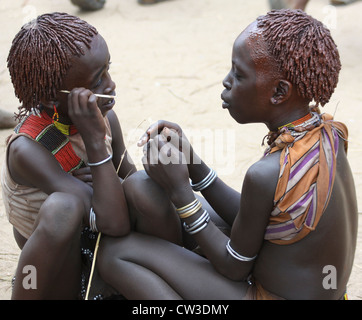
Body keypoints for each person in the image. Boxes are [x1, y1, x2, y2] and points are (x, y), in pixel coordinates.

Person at [97, 9, 358, 300]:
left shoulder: (267, 173)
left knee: (115, 254)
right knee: (155, 194)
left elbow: (235, 266)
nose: (226, 81)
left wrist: (181, 192)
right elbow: (261, 218)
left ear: (279, 92)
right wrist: (194, 164)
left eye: (239, 73)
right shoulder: (328, 134)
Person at [2, 12, 180, 300]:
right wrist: (97, 149)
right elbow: (114, 222)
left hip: (102, 235)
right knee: (65, 205)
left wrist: (115, 175)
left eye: (108, 70)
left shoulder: (108, 121)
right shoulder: (28, 150)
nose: (110, 85)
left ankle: (176, 272)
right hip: (59, 263)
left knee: (145, 188)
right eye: (97, 81)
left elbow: (134, 188)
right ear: (52, 98)